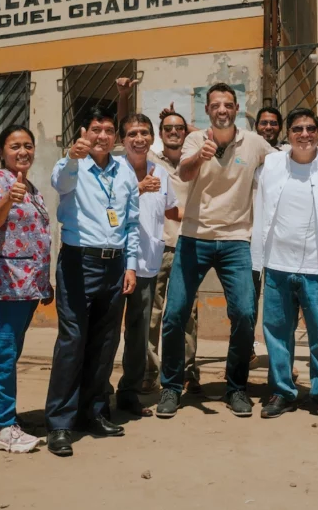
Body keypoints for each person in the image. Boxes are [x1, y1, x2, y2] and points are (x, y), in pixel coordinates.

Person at [157, 83, 274, 419]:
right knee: (175, 314)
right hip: (194, 237)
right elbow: (184, 171)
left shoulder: (253, 143)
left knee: (244, 314)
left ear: (236, 108)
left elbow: (282, 163)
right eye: (215, 105)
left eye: (227, 105)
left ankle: (236, 387)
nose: (222, 110)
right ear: (207, 111)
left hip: (237, 240)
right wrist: (199, 155)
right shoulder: (196, 140)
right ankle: (171, 387)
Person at [46, 108, 139, 455]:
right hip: (78, 261)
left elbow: (130, 222)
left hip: (114, 265)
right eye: (96, 129)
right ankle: (59, 423)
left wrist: (130, 266)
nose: (103, 136)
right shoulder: (71, 165)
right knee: (73, 341)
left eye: (109, 130)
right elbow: (61, 183)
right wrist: (72, 156)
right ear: (84, 131)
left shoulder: (124, 171)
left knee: (104, 343)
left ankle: (94, 411)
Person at [251, 109, 318, 423]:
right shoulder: (272, 164)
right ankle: (282, 392)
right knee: (277, 332)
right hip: (278, 263)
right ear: (288, 133)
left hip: (317, 267)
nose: (304, 134)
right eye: (297, 129)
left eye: (310, 128)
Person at [0, 124, 52, 454]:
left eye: (28, 145)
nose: (23, 151)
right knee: (2, 356)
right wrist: (8, 198)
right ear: (1, 152)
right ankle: (0, 426)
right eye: (14, 146)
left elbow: (36, 238)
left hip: (29, 286)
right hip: (6, 283)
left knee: (8, 355)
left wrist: (44, 282)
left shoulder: (32, 187)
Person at [115, 114, 179, 418]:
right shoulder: (113, 170)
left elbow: (173, 209)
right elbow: (104, 212)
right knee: (106, 332)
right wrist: (137, 189)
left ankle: (128, 393)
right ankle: (96, 393)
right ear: (122, 140)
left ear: (151, 138)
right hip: (114, 263)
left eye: (144, 133)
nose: (138, 138)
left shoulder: (162, 173)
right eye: (132, 133)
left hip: (148, 263)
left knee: (139, 336)